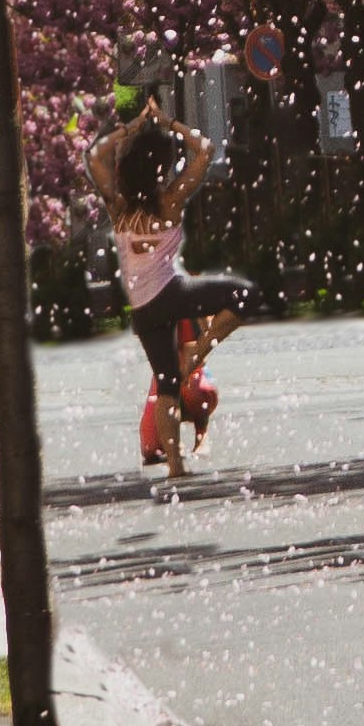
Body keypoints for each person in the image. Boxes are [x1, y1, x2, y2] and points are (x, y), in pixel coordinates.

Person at [99, 80, 253, 470]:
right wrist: (171, 123)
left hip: (141, 309)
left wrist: (131, 127)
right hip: (170, 291)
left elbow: (95, 155)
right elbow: (207, 149)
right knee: (243, 296)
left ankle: (174, 467)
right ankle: (197, 351)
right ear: (161, 167)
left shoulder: (117, 208)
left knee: (166, 383)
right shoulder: (169, 200)